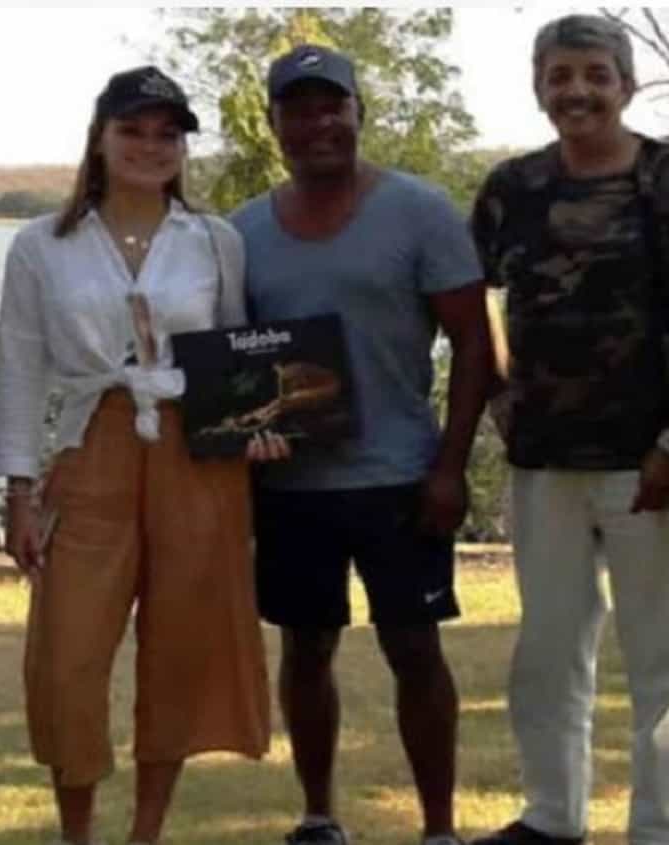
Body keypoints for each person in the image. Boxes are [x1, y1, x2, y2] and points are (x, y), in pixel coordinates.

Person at [0, 65, 279, 845]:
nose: (151, 146)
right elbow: (18, 369)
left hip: (196, 454)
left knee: (181, 646)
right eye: (133, 130)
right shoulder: (42, 244)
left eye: (167, 133)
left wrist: (263, 424)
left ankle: (146, 834)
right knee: (68, 657)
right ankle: (76, 832)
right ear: (100, 138)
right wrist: (17, 491)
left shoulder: (214, 240)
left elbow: (238, 355)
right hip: (91, 443)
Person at [231, 44, 497, 845]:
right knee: (305, 647)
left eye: (332, 106)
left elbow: (474, 344)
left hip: (401, 477)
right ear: (274, 124)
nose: (317, 124)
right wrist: (242, 441)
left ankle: (439, 827)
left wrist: (450, 466)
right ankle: (319, 815)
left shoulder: (421, 212)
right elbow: (233, 364)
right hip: (292, 487)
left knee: (414, 647)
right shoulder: (242, 232)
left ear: (358, 113)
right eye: (298, 110)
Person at [466, 15, 669, 845]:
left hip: (652, 462)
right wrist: (500, 394)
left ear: (627, 84)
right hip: (543, 462)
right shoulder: (511, 188)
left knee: (662, 662)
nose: (576, 91)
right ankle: (551, 817)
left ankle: (667, 828)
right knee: (547, 654)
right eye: (559, 75)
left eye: (595, 74)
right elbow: (479, 302)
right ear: (539, 86)